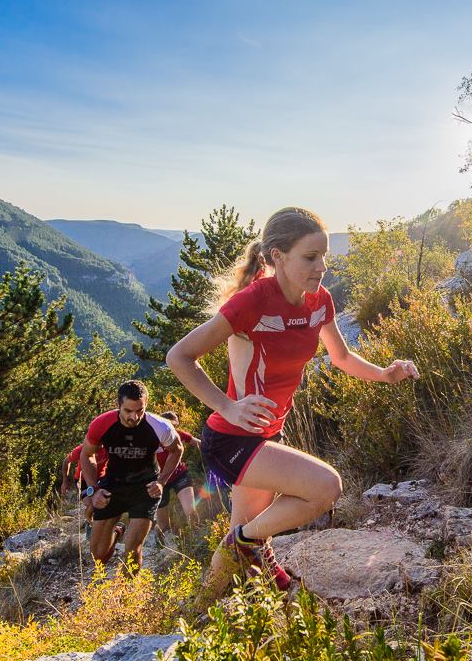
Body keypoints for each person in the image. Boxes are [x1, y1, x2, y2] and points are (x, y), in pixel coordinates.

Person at [166, 206, 418, 592]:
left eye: (324, 257)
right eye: (310, 257)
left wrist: (385, 373)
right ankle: (253, 547)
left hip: (268, 436)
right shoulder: (251, 302)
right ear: (278, 257)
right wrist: (228, 406)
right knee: (325, 487)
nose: (321, 267)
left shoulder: (320, 302)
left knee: (242, 535)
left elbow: (342, 357)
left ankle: (201, 606)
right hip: (233, 438)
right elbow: (179, 357)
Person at [79, 380, 182, 573]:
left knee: (133, 549)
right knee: (98, 555)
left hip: (146, 488)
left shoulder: (161, 426)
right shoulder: (102, 424)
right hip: (113, 485)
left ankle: (128, 596)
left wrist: (161, 482)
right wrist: (94, 490)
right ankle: (117, 530)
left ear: (146, 405)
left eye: (140, 411)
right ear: (118, 405)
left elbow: (177, 450)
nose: (134, 417)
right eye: (128, 411)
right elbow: (86, 455)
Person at [154, 411, 201, 534]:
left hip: (179, 475)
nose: (172, 429)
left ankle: (195, 537)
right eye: (169, 426)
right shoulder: (152, 439)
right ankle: (165, 545)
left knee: (190, 510)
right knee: (163, 524)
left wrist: (215, 449)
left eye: (175, 426)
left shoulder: (178, 434)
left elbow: (198, 443)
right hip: (159, 481)